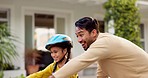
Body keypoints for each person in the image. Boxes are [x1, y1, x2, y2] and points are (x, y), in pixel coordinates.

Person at [49, 17, 148, 78]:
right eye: (77, 36)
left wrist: (54, 76)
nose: (79, 40)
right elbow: (102, 71)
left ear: (93, 32)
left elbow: (81, 61)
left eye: (81, 34)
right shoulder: (102, 46)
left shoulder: (104, 42)